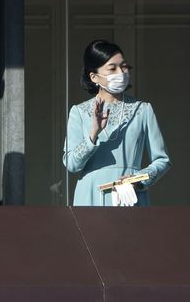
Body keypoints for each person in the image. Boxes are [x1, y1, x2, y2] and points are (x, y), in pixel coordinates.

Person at [63, 39, 170, 206]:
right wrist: (93, 134)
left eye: (124, 66)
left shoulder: (143, 110)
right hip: (90, 196)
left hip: (130, 194)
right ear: (94, 76)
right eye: (112, 68)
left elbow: (162, 160)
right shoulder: (79, 112)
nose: (121, 72)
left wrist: (138, 179)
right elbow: (71, 164)